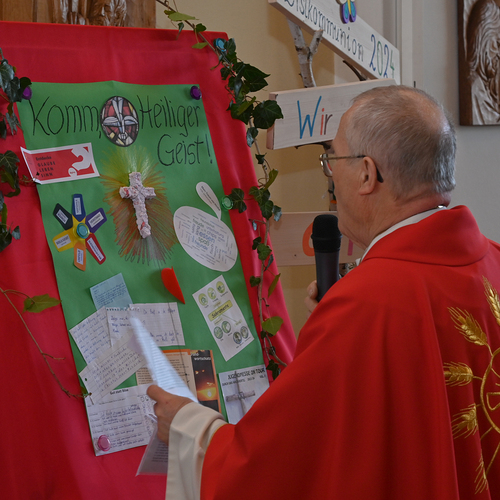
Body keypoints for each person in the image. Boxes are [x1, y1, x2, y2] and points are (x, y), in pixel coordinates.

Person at [147, 85, 500, 499]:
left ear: (368, 174)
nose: (330, 173)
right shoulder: (490, 261)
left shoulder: (368, 303)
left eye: (332, 158)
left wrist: (190, 429)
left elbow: (278, 464)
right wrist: (343, 345)